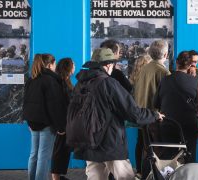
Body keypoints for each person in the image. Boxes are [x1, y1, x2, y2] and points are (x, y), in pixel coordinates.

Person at [70, 48, 163, 180]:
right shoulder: (108, 83)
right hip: (109, 143)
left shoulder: (81, 83)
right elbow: (132, 112)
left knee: (95, 177)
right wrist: (154, 115)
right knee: (126, 177)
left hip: (88, 141)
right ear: (108, 65)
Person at [23, 54, 67, 180]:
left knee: (34, 154)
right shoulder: (51, 80)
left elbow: (25, 102)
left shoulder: (32, 79)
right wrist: (60, 126)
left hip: (32, 122)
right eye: (54, 64)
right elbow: (55, 106)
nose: (55, 67)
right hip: (46, 123)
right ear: (49, 65)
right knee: (44, 156)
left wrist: (28, 121)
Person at [132, 40, 171, 178]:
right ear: (166, 54)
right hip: (155, 118)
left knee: (144, 149)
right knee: (156, 152)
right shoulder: (163, 72)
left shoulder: (144, 68)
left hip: (142, 116)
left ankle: (143, 174)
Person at [154, 51, 198, 163]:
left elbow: (156, 103)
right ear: (190, 65)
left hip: (168, 124)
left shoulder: (165, 80)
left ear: (176, 62)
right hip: (189, 125)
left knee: (168, 157)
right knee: (190, 155)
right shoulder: (195, 81)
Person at [51, 58, 75, 180]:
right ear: (69, 67)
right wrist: (60, 126)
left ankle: (58, 176)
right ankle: (55, 177)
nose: (74, 66)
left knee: (63, 151)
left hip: (67, 122)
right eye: (73, 64)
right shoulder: (60, 83)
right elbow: (59, 105)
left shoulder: (65, 81)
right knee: (59, 151)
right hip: (63, 124)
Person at [127, 54, 152, 173]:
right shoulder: (147, 78)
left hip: (137, 115)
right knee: (148, 143)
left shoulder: (132, 79)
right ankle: (147, 170)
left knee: (140, 142)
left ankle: (139, 170)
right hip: (147, 113)